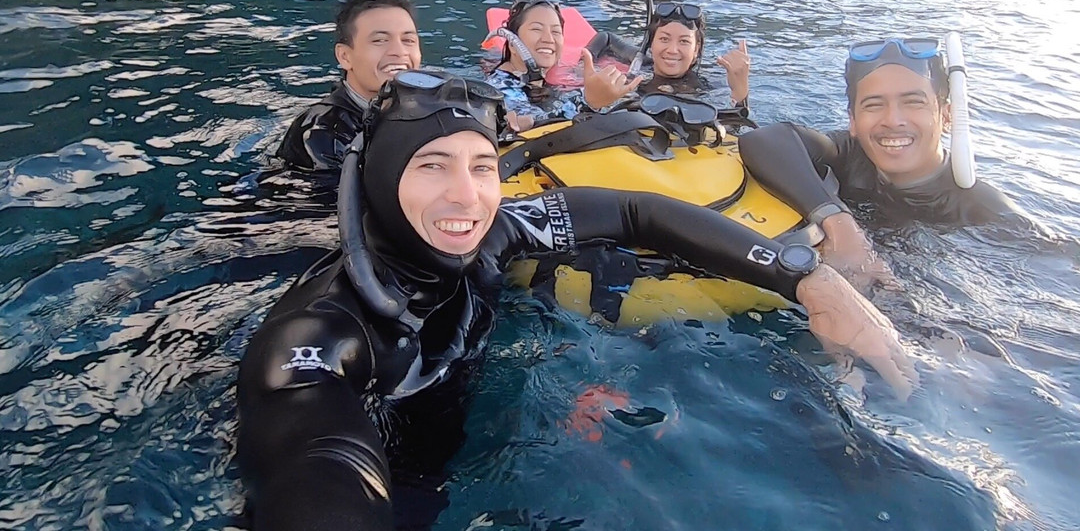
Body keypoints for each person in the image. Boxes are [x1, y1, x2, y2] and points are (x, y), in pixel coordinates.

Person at [238, 70, 917, 530]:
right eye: (431, 167)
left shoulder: (496, 232)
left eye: (480, 166)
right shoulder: (321, 336)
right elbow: (316, 456)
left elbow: (637, 212)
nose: (465, 195)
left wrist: (807, 277)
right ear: (382, 181)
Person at [738, 37, 1024, 285]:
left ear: (947, 116)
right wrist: (839, 224)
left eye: (913, 102)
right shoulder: (849, 154)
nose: (893, 121)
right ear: (853, 120)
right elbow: (765, 139)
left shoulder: (983, 210)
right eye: (873, 105)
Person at [276, 0, 421, 171]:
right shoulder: (322, 134)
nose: (399, 52)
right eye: (380, 40)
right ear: (345, 56)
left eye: (408, 40)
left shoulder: (434, 105)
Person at [487, 0, 641, 126]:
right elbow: (531, 126)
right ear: (513, 44)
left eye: (556, 32)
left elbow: (605, 38)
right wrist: (589, 100)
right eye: (536, 29)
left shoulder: (538, 78)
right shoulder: (500, 87)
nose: (549, 39)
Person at [585, 0, 750, 110]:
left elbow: (734, 131)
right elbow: (606, 37)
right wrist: (584, 68)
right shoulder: (640, 64)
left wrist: (740, 91)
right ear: (651, 44)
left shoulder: (709, 87)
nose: (672, 49)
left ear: (696, 50)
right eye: (664, 39)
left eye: (684, 41)